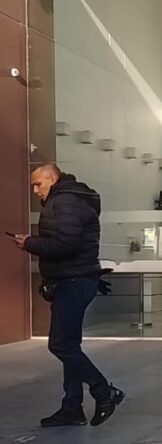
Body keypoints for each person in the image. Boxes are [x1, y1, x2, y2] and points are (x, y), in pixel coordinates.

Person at [11, 164, 124, 428]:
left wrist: (29, 243)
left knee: (60, 344)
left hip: (73, 282)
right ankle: (72, 407)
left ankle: (103, 391)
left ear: (53, 178)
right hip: (73, 280)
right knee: (69, 345)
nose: (35, 190)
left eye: (38, 184)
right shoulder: (70, 198)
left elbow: (66, 244)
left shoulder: (66, 201)